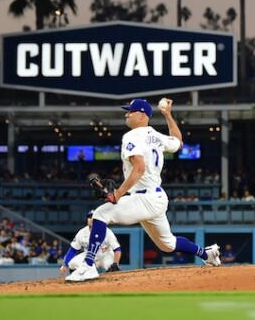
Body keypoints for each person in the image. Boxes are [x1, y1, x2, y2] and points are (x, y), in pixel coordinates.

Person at [65, 97, 221, 282]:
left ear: (141, 115)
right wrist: (168, 115)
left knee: (100, 215)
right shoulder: (157, 136)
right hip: (156, 198)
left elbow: (139, 168)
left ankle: (88, 266)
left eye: (130, 111)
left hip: (144, 198)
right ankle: (207, 254)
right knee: (167, 245)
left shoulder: (132, 136)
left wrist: (118, 194)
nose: (126, 114)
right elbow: (179, 142)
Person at [60, 210, 121, 277]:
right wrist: (65, 264)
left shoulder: (107, 231)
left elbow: (117, 249)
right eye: (89, 217)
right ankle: (81, 283)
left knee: (112, 267)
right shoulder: (82, 233)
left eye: (94, 217)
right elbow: (73, 250)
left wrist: (116, 263)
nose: (91, 219)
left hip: (105, 256)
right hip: (89, 257)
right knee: (71, 264)